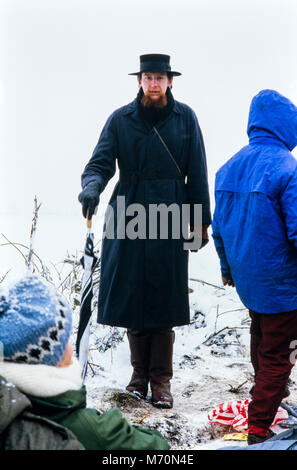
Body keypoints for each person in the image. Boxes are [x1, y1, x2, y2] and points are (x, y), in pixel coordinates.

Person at [78, 53, 211, 408]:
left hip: (170, 210)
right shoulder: (120, 120)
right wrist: (92, 185)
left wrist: (199, 223)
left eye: (160, 77)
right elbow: (100, 162)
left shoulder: (186, 119)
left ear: (170, 81)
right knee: (133, 293)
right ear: (139, 81)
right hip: (129, 209)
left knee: (164, 296)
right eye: (148, 77)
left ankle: (161, 381)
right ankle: (138, 377)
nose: (154, 83)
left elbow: (196, 171)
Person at [212, 89, 297, 445]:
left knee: (261, 337)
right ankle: (259, 430)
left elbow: (218, 229)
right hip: (283, 286)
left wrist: (228, 269)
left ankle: (267, 395)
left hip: (249, 280)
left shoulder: (227, 168)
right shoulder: (287, 168)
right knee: (279, 353)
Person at [0, 274, 170, 450]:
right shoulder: (94, 431)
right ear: (54, 356)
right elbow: (159, 448)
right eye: (65, 339)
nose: (69, 346)